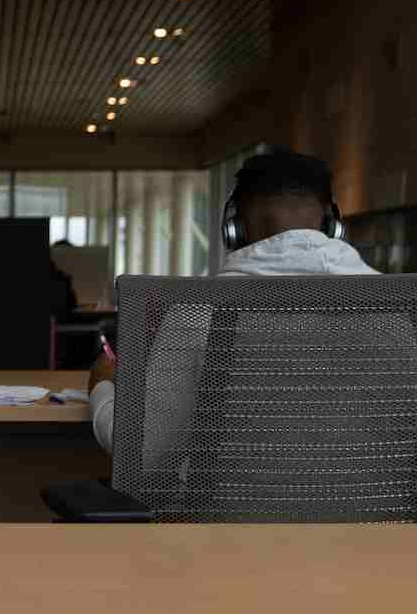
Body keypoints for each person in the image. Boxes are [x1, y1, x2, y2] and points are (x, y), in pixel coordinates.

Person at [87, 148, 376, 452]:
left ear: (233, 228)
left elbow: (139, 449)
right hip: (379, 499)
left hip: (236, 501)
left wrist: (102, 384)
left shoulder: (198, 311)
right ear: (332, 225)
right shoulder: (403, 307)